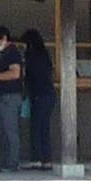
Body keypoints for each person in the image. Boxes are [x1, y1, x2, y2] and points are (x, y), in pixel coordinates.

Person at [0, 26, 27, 173]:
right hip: (1, 95)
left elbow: (15, 74)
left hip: (10, 96)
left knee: (10, 130)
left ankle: (13, 162)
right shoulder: (4, 54)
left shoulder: (13, 53)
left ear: (3, 38)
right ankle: (6, 161)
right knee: (1, 129)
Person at [20, 28, 57, 168]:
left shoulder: (31, 55)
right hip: (49, 93)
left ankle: (36, 158)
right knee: (44, 127)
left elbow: (29, 76)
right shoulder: (44, 54)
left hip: (38, 94)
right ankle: (46, 159)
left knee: (36, 127)